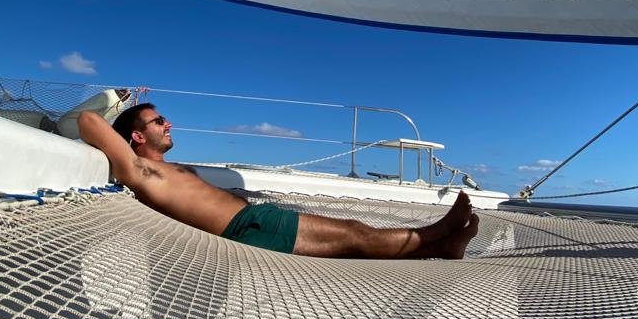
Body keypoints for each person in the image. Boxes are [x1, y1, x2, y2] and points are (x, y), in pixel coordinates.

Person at [79, 105, 479, 259]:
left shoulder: (170, 168)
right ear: (135, 136)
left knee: (353, 240)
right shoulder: (140, 170)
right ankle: (438, 232)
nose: (168, 123)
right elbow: (88, 121)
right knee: (356, 235)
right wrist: (118, 107)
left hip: (254, 218)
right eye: (157, 121)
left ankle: (445, 246)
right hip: (249, 229)